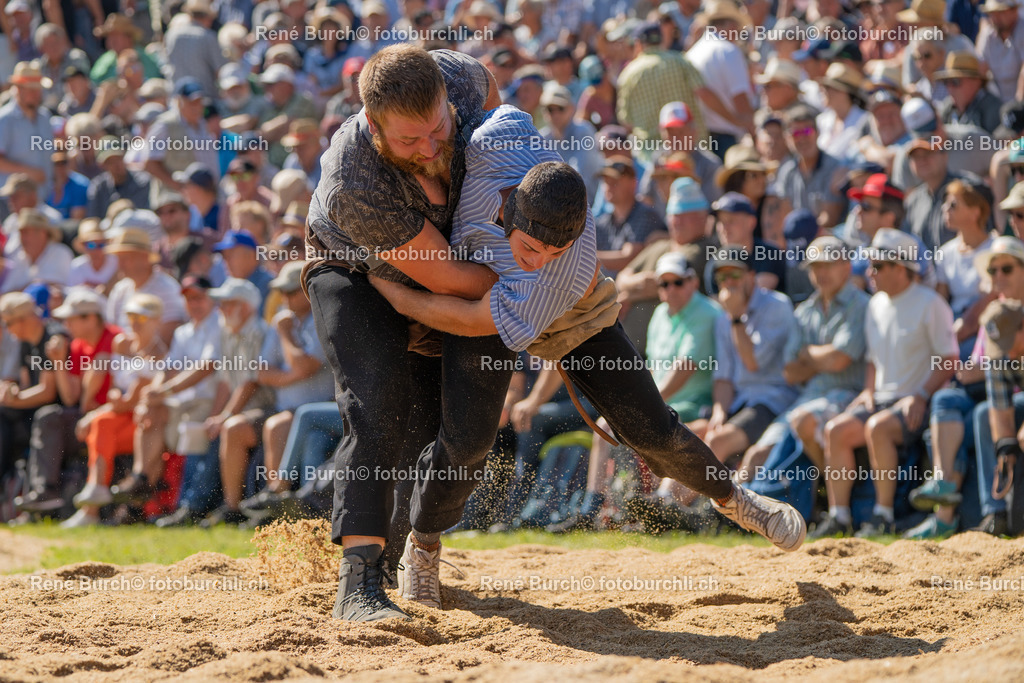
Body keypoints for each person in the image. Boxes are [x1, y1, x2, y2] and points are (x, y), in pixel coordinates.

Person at [371, 146, 806, 612]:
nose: (540, 260)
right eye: (531, 247)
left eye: (555, 251)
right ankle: (423, 549)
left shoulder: (566, 269)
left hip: (572, 316)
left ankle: (734, 498)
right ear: (510, 210)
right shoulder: (496, 150)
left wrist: (398, 297)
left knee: (654, 428)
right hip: (483, 295)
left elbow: (479, 319)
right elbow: (485, 105)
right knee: (467, 441)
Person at [303, 45, 504, 622]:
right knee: (377, 401)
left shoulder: (460, 77)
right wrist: (532, 281)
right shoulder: (354, 180)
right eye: (410, 140)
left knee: (433, 424)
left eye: (438, 129)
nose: (430, 148)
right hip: (355, 270)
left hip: (440, 265)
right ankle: (358, 584)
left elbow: (496, 107)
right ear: (373, 124)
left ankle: (398, 558)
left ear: (445, 96)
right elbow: (451, 279)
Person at [814, 229, 958, 538]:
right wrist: (868, 391)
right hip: (882, 400)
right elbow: (872, 359)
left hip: (918, 403)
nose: (870, 272)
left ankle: (883, 516)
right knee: (834, 430)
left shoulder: (931, 304)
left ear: (901, 268)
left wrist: (920, 395)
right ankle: (839, 517)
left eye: (877, 266)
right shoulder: (875, 304)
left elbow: (949, 360)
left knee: (877, 427)